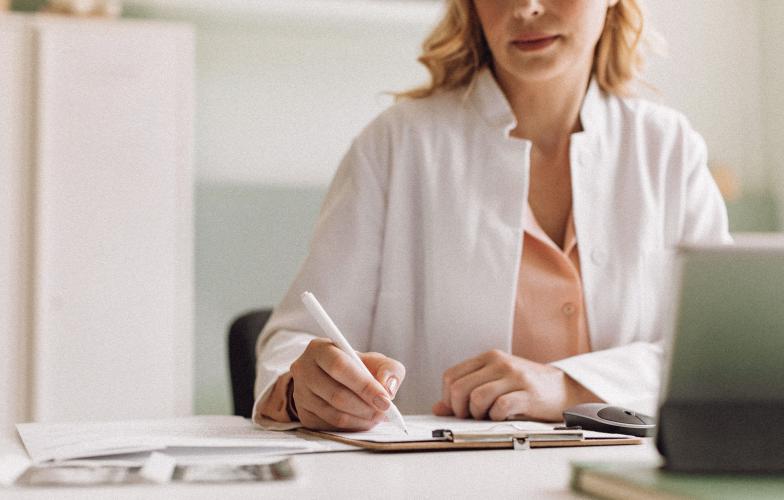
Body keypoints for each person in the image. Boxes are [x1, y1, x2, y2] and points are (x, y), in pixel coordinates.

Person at [251, 0, 730, 431]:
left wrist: (568, 386)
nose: (526, 7)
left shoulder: (668, 149)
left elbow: (721, 354)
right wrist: (304, 388)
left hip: (623, 477)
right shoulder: (397, 144)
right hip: (437, 481)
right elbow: (297, 341)